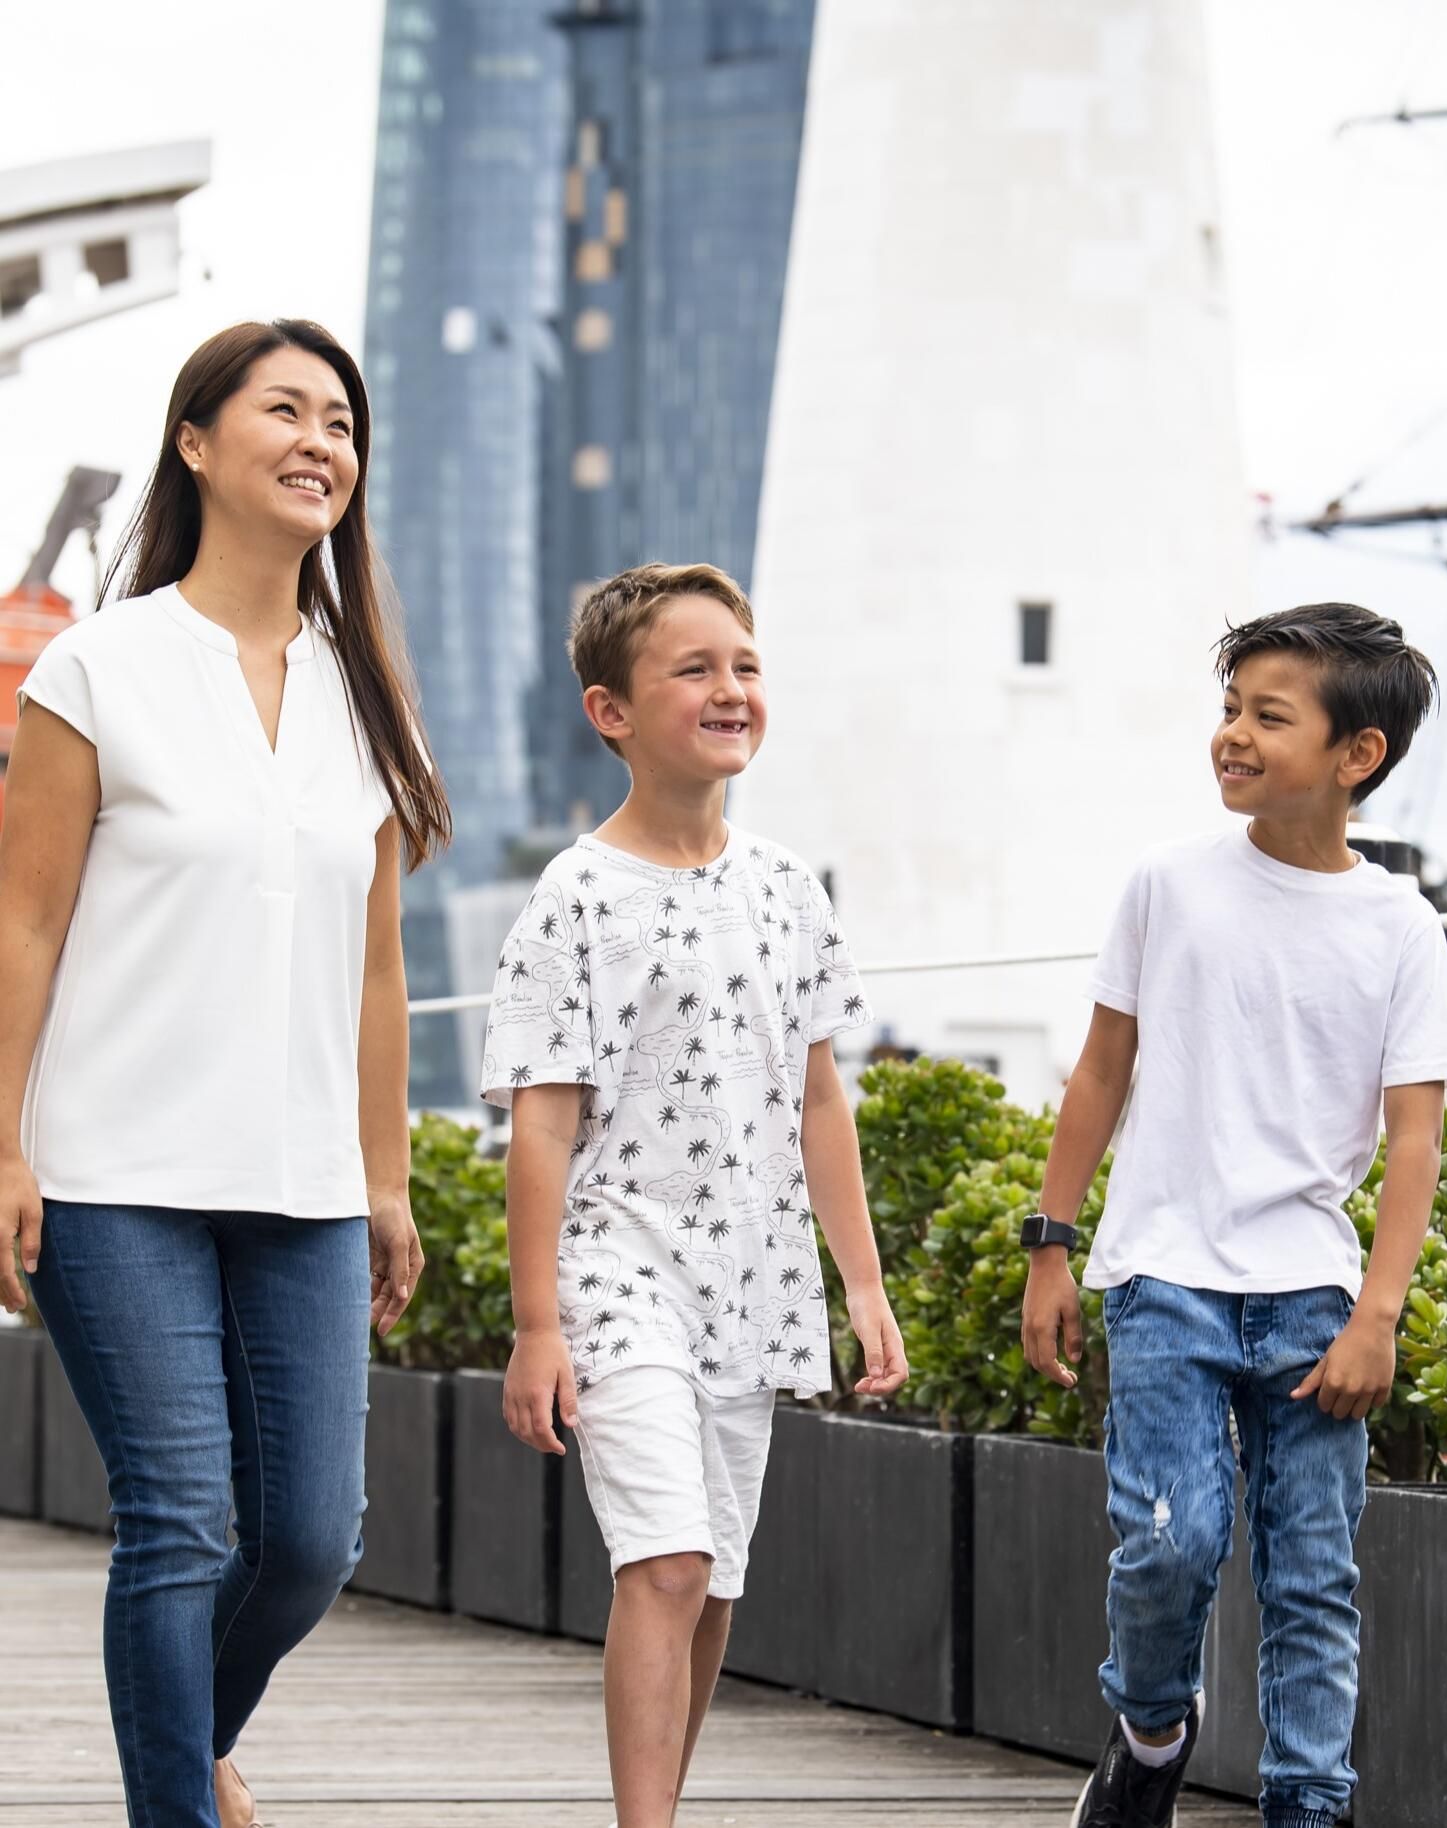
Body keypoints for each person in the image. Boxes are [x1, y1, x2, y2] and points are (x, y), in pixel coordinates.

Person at [0, 320, 450, 1828]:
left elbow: (378, 970)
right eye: (286, 411)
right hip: (114, 1168)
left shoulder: (363, 686)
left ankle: (186, 1746)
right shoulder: (96, 666)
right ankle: (174, 1811)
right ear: (196, 443)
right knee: (182, 1525)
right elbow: (25, 920)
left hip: (305, 1177)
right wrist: (0, 1143)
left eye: (342, 420)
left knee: (313, 1538)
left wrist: (386, 1179)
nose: (324, 440)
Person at [1021, 603, 1447, 1828]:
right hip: (1163, 1275)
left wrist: (1378, 1317)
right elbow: (1101, 1071)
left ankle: (1308, 1808)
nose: (1231, 736)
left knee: (1312, 1577)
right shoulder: (1168, 882)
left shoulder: (1400, 925)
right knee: (1169, 1543)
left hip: (1314, 1295)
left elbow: (1414, 1135)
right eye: (1229, 710)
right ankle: (1151, 1730)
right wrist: (1049, 1246)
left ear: (1353, 755)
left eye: (1267, 716)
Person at [481, 561, 907, 1828]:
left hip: (755, 1277)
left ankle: (662, 1801)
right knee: (661, 1558)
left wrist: (863, 1284)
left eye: (746, 666)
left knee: (711, 1579)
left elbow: (819, 1098)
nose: (730, 689)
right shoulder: (575, 898)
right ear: (610, 710)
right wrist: (538, 1322)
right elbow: (542, 1133)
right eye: (693, 669)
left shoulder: (786, 889)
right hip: (619, 1270)